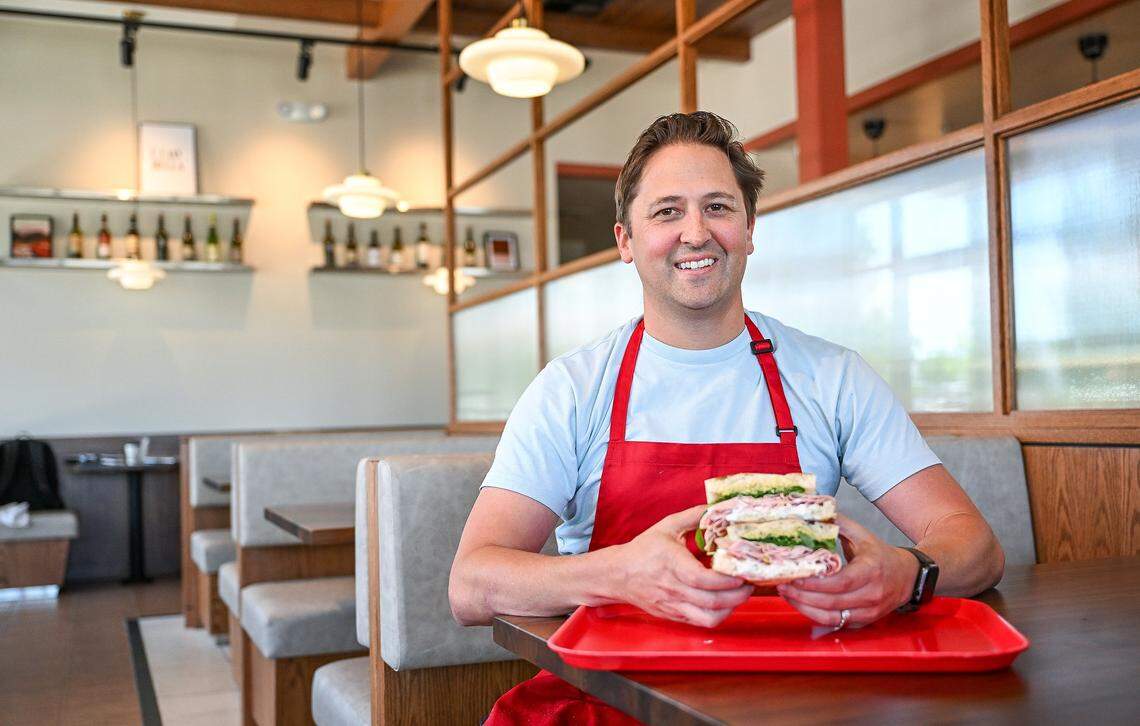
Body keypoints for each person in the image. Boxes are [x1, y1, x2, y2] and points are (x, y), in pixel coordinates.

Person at [449, 111, 1004, 724]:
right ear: (625, 241)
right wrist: (617, 573)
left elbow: (973, 544)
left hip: (798, 701)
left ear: (748, 228)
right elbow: (473, 585)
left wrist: (905, 573)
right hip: (610, 699)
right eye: (666, 212)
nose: (696, 233)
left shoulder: (832, 376)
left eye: (718, 206)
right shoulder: (572, 390)